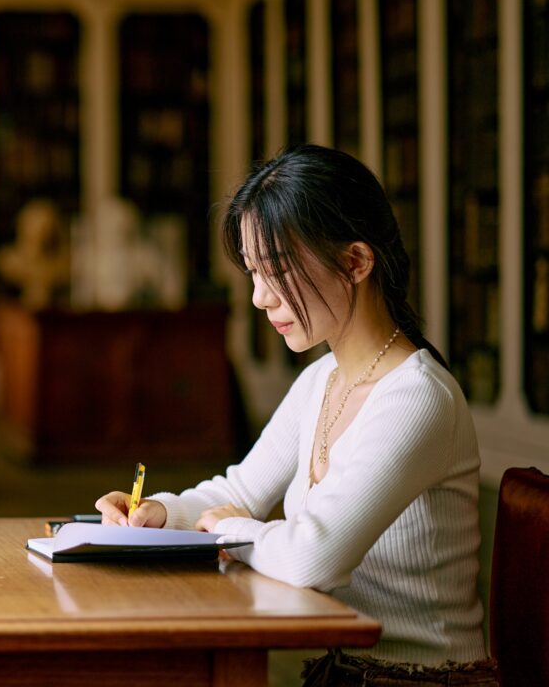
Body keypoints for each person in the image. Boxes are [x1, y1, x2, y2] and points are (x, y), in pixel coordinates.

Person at [96, 145, 497, 684]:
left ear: (355, 262)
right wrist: (158, 515)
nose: (260, 298)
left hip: (424, 679)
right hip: (345, 671)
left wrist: (230, 531)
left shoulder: (416, 398)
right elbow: (237, 491)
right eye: (253, 272)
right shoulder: (321, 380)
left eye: (276, 270)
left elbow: (314, 557)